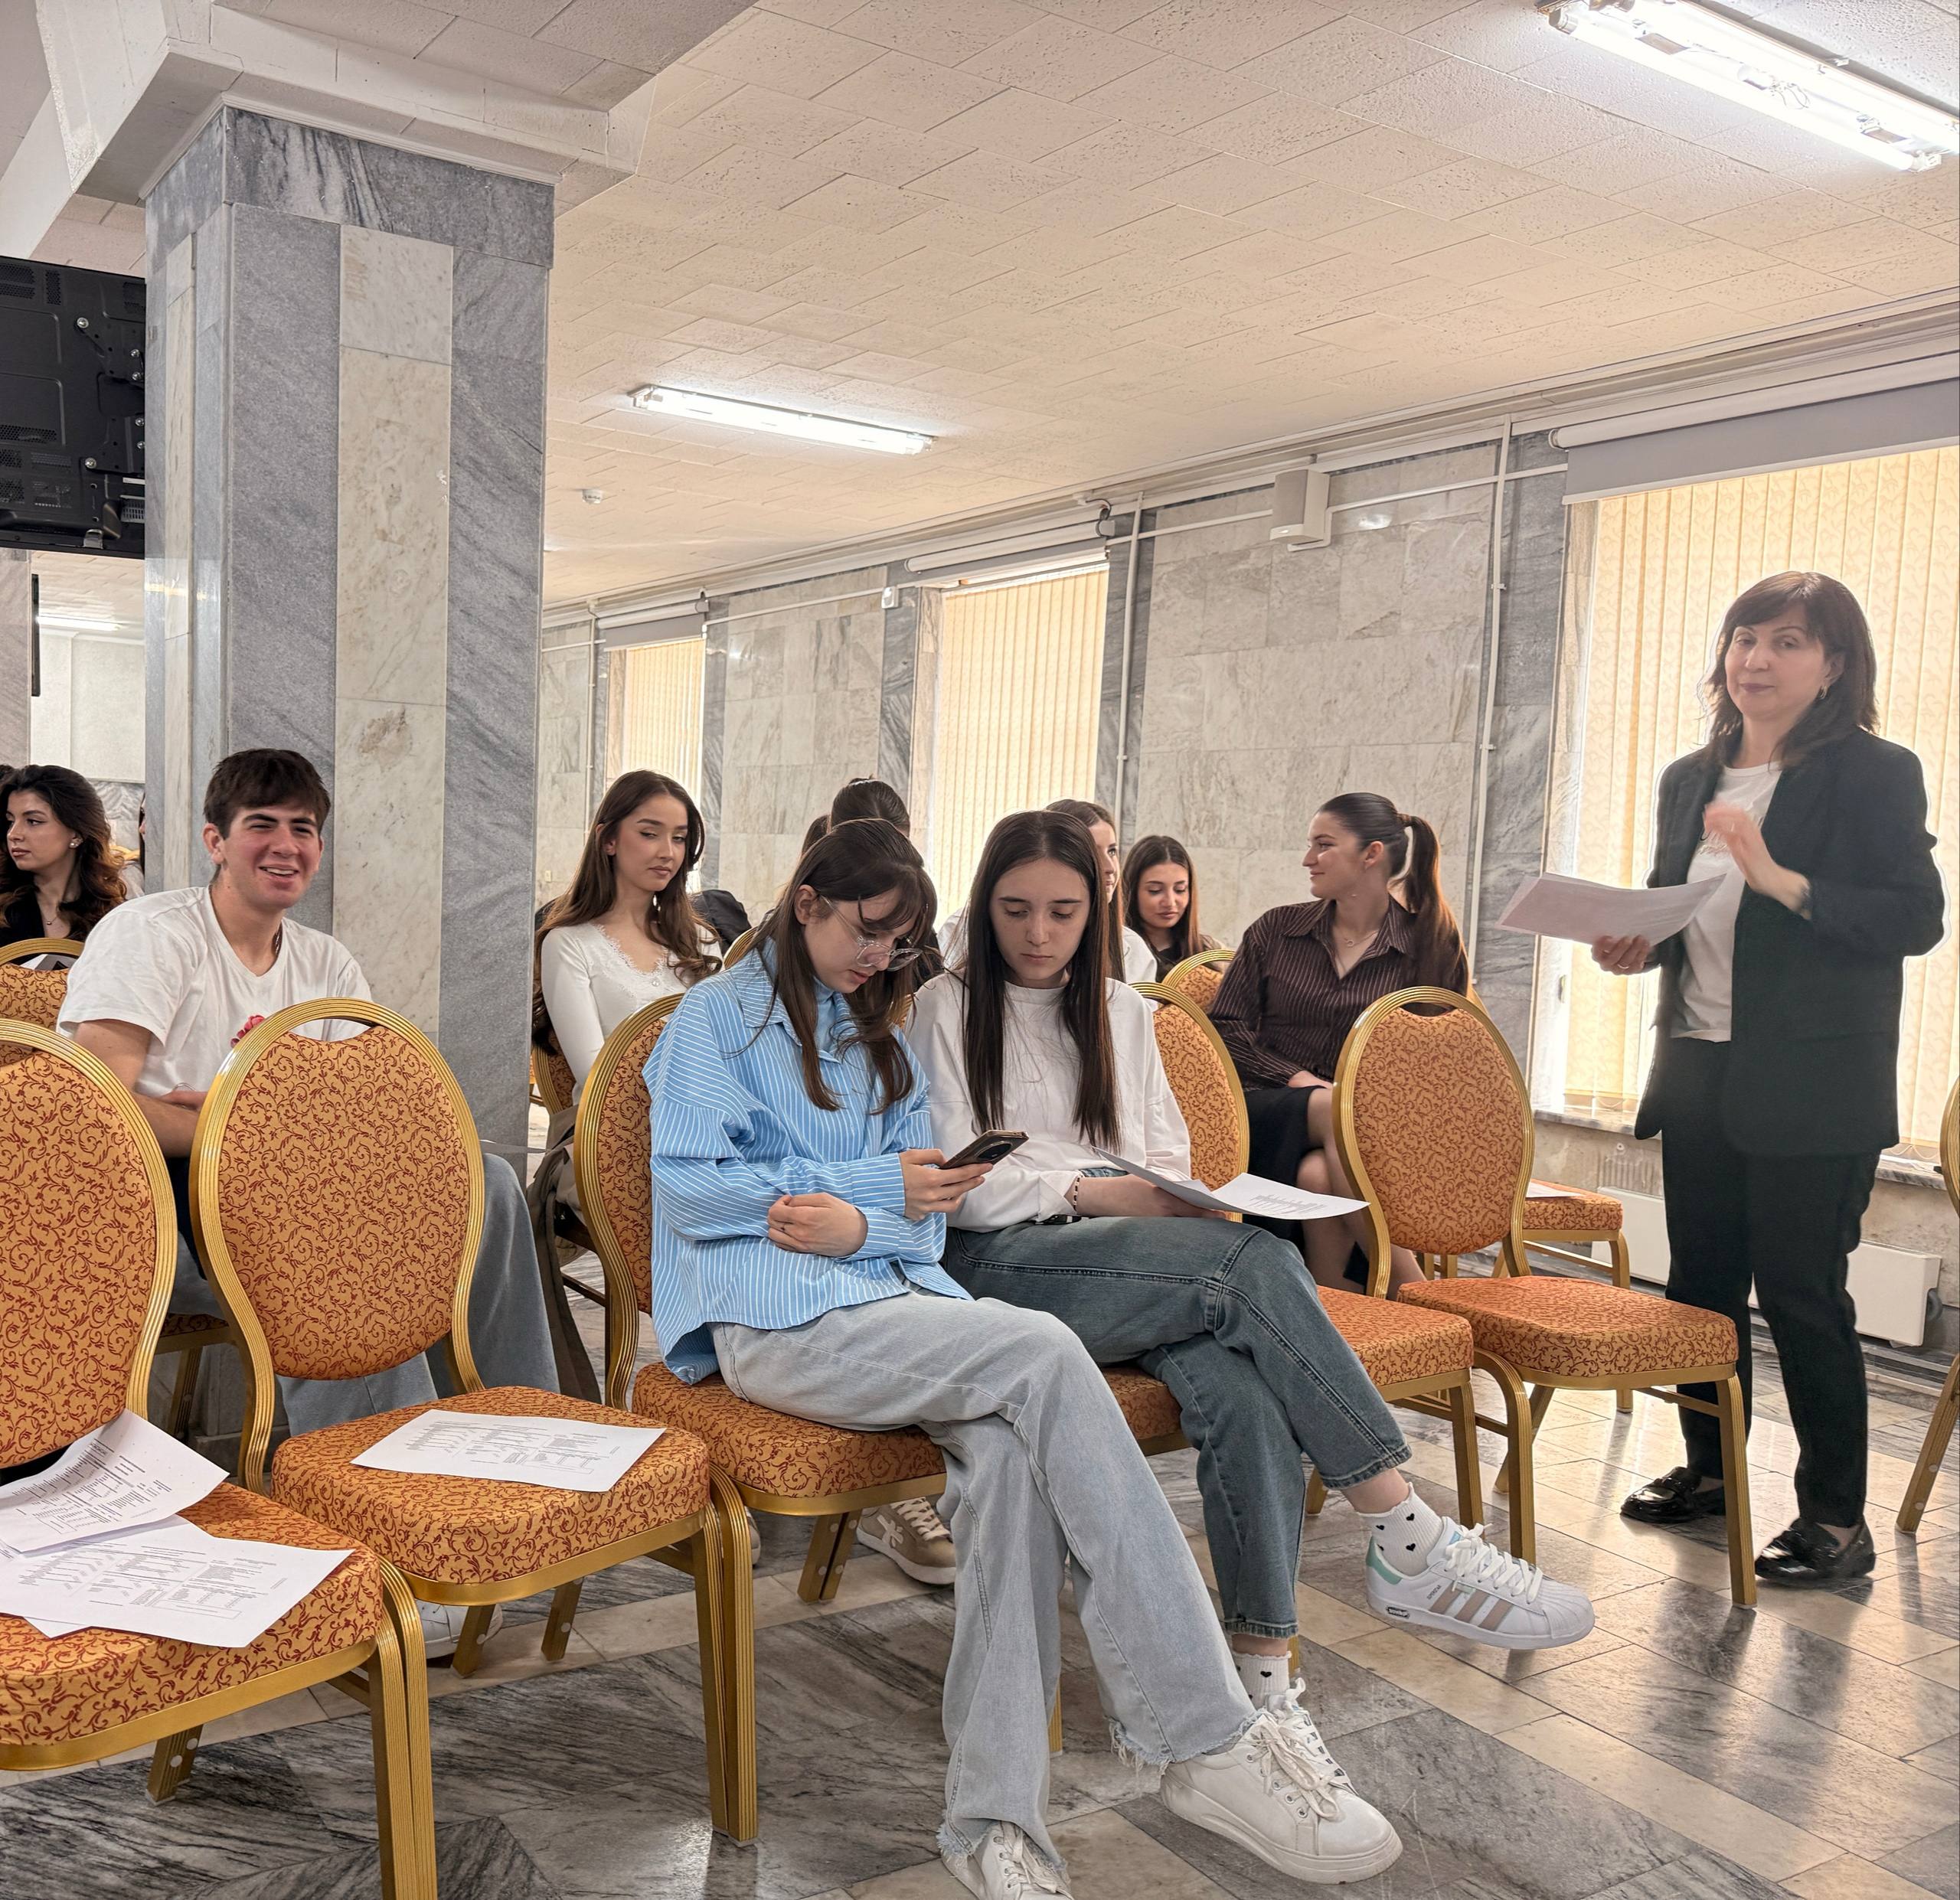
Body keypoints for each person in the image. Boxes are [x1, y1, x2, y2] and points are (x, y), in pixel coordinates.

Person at [645, 818, 1405, 1894]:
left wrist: (869, 1219)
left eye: (900, 942)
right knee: (1043, 1351)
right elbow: (691, 1190)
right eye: (867, 932)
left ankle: (992, 1823)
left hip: (901, 1306)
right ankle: (1204, 1734)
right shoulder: (714, 1020)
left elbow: (930, 1212)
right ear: (805, 902)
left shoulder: (879, 1036)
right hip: (777, 1325)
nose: (881, 958)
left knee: (1009, 1467)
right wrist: (864, 1196)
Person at [912, 810, 1592, 1706]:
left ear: (1094, 912)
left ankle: (1260, 1684)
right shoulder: (944, 1007)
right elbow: (958, 1183)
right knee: (1247, 1259)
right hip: (999, 1259)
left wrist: (1158, 1195)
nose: (1038, 933)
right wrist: (1092, 1192)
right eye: (1015, 910)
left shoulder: (1121, 1009)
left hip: (1127, 1254)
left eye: (1062, 912)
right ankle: (1406, 1532)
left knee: (1243, 1390)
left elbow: (1162, 1152)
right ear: (984, 906)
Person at [58, 748, 560, 1657]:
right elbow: (97, 1098)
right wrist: (243, 1129)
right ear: (215, 840)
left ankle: (517, 1443)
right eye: (262, 825)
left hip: (296, 1177)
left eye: (303, 829)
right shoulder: (153, 936)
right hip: (163, 1193)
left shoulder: (327, 960)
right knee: (333, 1231)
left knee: (483, 1180)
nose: (285, 845)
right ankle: (385, 1524)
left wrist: (252, 1123)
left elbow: (353, 1114)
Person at [1591, 573, 1943, 1588]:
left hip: (1816, 1088)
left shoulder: (1874, 772)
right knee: (1700, 1291)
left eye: (1788, 640)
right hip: (1699, 1068)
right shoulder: (1688, 778)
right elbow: (1678, 910)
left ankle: (1835, 1518)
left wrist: (1781, 878)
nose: (1757, 657)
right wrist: (1634, 943)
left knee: (1801, 1295)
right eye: (1745, 636)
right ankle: (1709, 1471)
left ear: (1833, 664)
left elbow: (1915, 917)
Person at [1212, 796, 1468, 1293]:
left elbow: (1441, 1058)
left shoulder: (1430, 944)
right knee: (1336, 1107)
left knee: (1317, 1175)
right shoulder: (1276, 930)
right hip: (1261, 1111)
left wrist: (1377, 1103)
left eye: (1324, 845)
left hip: (1373, 1128)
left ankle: (1344, 1316)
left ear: (1371, 854)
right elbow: (1224, 1029)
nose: (1308, 858)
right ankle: (1415, 1291)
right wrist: (1298, 1079)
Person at [535, 771, 720, 1102]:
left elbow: (729, 1048)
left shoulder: (698, 939)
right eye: (650, 834)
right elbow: (596, 1077)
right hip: (612, 1127)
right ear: (609, 840)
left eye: (679, 838)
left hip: (708, 1118)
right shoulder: (569, 944)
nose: (668, 852)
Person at [943, 798, 1154, 984]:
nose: (1109, 867)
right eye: (1016, 911)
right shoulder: (962, 932)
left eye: (1112, 851)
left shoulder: (1130, 948)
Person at [2, 764, 128, 953]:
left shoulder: (115, 919)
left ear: (76, 833)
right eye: (11, 821)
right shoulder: (5, 908)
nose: (14, 834)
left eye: (33, 821)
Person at [1122, 833, 1218, 981]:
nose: (1170, 902)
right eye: (1155, 890)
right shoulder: (1120, 953)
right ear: (1132, 892)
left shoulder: (1211, 951)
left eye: (1180, 890)